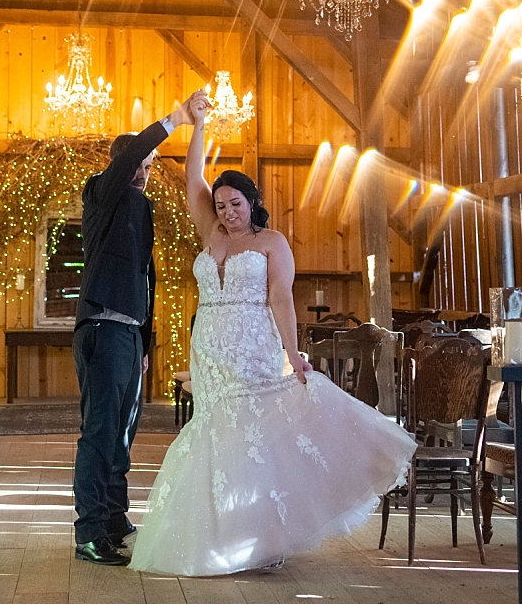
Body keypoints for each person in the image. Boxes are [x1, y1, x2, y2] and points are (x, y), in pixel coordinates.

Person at [129, 97, 416, 576]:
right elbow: (194, 177)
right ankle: (219, 535)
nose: (227, 212)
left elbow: (282, 299)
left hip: (253, 348)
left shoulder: (271, 243)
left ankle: (266, 536)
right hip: (211, 351)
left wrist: (293, 354)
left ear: (251, 202)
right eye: (220, 205)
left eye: (235, 204)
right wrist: (196, 125)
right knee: (216, 434)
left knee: (254, 436)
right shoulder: (211, 233)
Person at [73, 91, 211, 566]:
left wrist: (146, 340)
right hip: (102, 327)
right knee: (100, 432)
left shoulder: (143, 209)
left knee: (123, 434)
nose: (143, 173)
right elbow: (131, 154)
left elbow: (145, 278)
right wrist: (175, 121)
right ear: (119, 165)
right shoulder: (100, 193)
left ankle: (114, 519)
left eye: (151, 167)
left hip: (130, 334)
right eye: (139, 164)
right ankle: (89, 531)